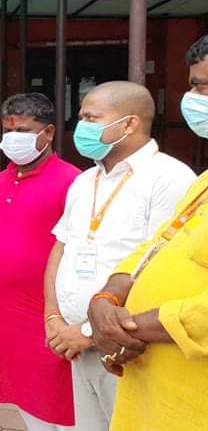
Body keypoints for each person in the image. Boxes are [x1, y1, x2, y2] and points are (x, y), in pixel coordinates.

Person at [43, 80, 194, 431]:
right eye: (81, 116)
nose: (81, 126)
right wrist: (53, 318)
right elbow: (61, 248)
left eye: (91, 118)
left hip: (128, 348)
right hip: (73, 344)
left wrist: (88, 331)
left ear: (129, 124)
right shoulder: (85, 181)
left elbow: (158, 269)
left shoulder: (170, 179)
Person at [87, 35, 208, 431]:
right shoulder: (203, 182)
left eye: (205, 88)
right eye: (194, 87)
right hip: (151, 399)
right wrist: (106, 297)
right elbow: (159, 245)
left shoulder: (171, 175)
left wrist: (130, 327)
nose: (195, 99)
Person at [0, 93, 80, 430]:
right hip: (1, 310)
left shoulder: (71, 181)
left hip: (46, 312)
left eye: (23, 130)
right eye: (8, 130)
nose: (13, 138)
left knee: (55, 394)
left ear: (48, 133)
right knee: (20, 391)